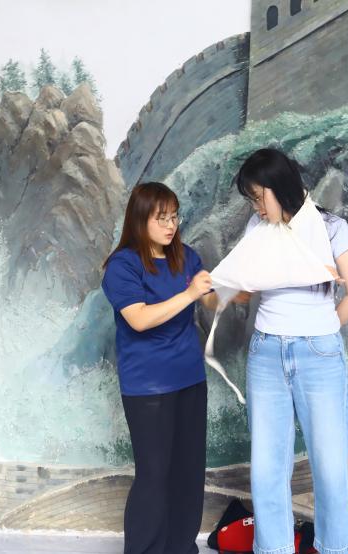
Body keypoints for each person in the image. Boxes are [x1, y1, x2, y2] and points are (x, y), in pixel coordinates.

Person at [235, 148, 348, 554]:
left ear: (279, 188)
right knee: (267, 470)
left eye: (259, 197)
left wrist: (321, 331)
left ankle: (337, 548)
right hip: (266, 353)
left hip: (318, 354)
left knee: (329, 468)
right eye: (252, 200)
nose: (257, 208)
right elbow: (242, 292)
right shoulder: (257, 229)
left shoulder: (331, 227)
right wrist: (221, 286)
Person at [101, 182, 217, 554]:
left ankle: (181, 548)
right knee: (153, 475)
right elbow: (139, 319)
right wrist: (189, 293)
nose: (171, 225)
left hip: (190, 378)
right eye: (161, 218)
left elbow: (212, 301)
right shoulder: (122, 265)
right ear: (140, 219)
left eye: (174, 217)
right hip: (147, 386)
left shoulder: (187, 256)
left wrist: (242, 287)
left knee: (188, 472)